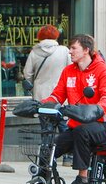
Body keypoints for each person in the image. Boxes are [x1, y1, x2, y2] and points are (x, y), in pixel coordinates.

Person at [43, 34, 106, 184]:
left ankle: (83, 180)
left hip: (103, 125)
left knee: (81, 132)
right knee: (50, 147)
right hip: (76, 126)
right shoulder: (68, 71)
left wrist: (96, 109)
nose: (70, 51)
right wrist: (43, 104)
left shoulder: (102, 70)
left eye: (73, 48)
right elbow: (57, 95)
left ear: (86, 50)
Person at [24, 25, 73, 166]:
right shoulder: (64, 51)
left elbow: (27, 74)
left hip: (42, 97)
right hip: (61, 96)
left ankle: (46, 159)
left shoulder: (34, 52)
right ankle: (68, 157)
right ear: (56, 35)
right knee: (64, 126)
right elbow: (71, 70)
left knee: (46, 130)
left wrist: (37, 82)